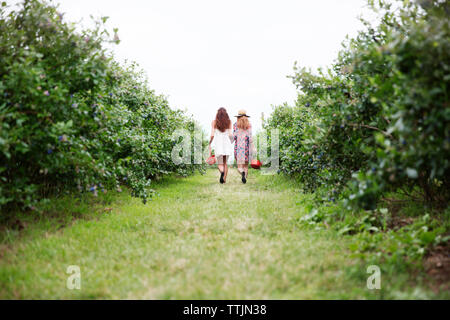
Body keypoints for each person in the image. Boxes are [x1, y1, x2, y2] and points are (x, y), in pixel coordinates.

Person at [209, 108, 233, 184]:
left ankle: (222, 172)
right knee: (225, 163)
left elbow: (212, 135)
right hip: (226, 144)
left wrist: (210, 142)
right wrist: (232, 141)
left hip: (218, 144)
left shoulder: (214, 122)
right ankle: (224, 180)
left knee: (220, 163)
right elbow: (230, 134)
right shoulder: (229, 122)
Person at [233, 110, 255, 184]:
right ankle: (244, 179)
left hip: (238, 147)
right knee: (246, 165)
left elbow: (234, 136)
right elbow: (250, 137)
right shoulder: (249, 125)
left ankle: (242, 173)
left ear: (238, 117)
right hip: (247, 147)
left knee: (239, 167)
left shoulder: (235, 125)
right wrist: (253, 147)